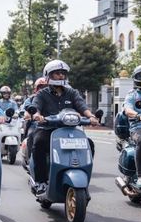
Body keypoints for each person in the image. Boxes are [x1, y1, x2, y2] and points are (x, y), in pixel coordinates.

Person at [31, 60, 100, 194]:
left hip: (69, 130)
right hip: (48, 129)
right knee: (38, 142)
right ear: (48, 75)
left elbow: (82, 106)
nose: (61, 76)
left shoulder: (72, 92)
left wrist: (91, 116)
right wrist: (38, 115)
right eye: (57, 73)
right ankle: (40, 181)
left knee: (89, 144)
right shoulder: (42, 94)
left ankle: (83, 175)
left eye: (63, 73)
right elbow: (36, 107)